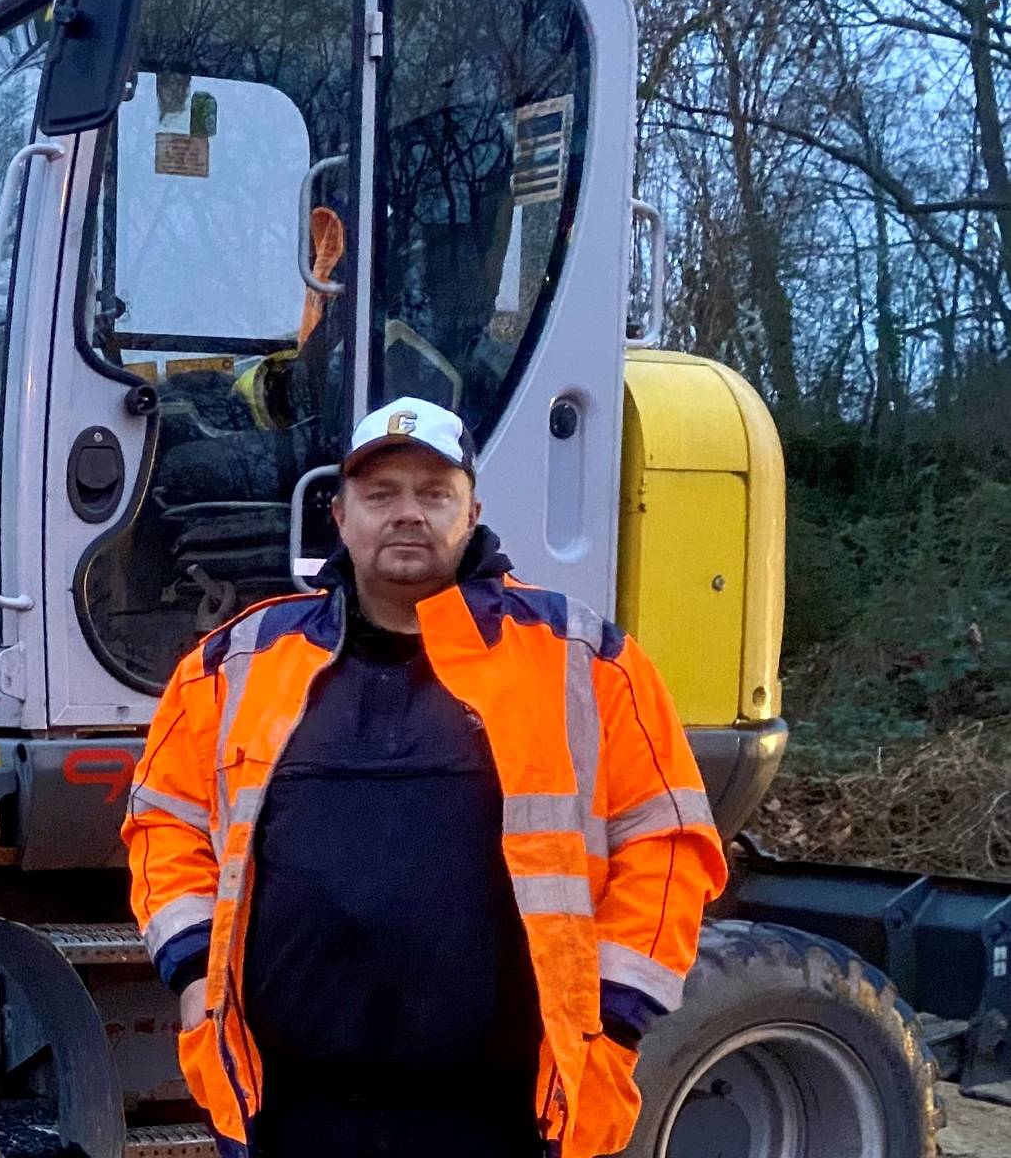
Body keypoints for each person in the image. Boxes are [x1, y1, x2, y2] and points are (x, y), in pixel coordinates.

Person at [121, 396, 728, 1158]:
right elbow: (164, 820)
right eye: (381, 494)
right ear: (339, 517)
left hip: (499, 1115)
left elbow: (667, 837)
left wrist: (613, 1015)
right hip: (292, 1112)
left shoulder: (583, 658)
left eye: (434, 493)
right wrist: (190, 974)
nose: (407, 513)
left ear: (472, 513)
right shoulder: (234, 663)